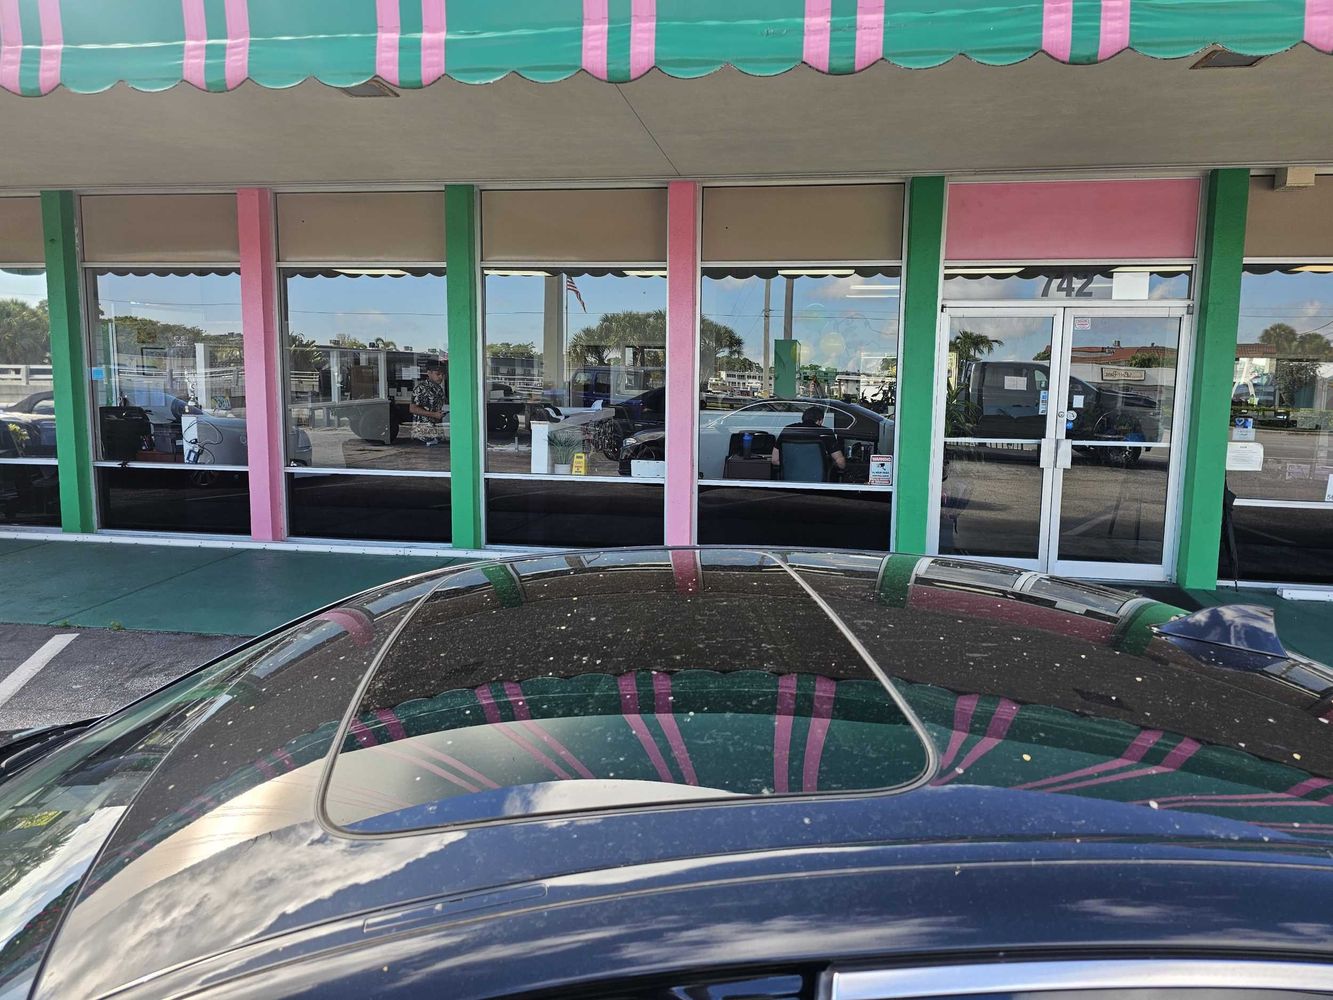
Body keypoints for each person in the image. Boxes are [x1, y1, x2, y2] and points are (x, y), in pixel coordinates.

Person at [770, 405, 846, 479]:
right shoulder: (825, 432)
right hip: (817, 481)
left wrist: (793, 466)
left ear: (803, 418)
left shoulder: (789, 430)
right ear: (820, 420)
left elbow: (774, 460)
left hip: (791, 481)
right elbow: (841, 463)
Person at [410, 362, 447, 446]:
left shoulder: (438, 388)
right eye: (438, 374)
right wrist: (434, 414)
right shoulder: (421, 388)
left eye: (443, 374)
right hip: (423, 432)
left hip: (436, 430)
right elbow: (413, 408)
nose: (441, 377)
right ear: (429, 373)